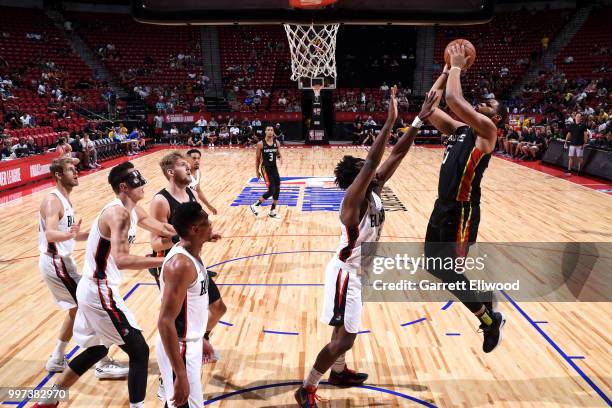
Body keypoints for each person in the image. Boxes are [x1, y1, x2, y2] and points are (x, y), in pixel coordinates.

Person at [295, 88, 436, 407]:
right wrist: (389, 121)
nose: (372, 169)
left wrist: (416, 121)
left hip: (358, 273)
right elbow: (374, 159)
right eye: (365, 168)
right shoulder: (352, 201)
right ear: (357, 176)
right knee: (345, 336)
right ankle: (307, 386)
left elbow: (395, 155)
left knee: (343, 330)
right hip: (346, 274)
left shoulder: (374, 188)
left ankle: (339, 372)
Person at [33, 162, 176, 408]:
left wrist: (187, 234)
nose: (143, 186)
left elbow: (163, 228)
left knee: (97, 351)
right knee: (139, 351)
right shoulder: (117, 213)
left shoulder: (133, 210)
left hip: (96, 289)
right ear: (124, 186)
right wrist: (160, 261)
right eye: (138, 182)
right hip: (100, 289)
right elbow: (121, 260)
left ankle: (48, 399)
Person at [422, 45, 508, 354]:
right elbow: (430, 108)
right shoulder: (459, 129)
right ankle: (484, 305)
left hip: (462, 211)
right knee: (435, 267)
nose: (483, 104)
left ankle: (488, 320)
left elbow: (454, 100)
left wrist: (457, 65)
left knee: (449, 271)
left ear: (496, 117)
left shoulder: (487, 131)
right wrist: (445, 71)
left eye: (489, 103)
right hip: (441, 207)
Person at [39, 158, 127, 380]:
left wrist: (92, 234)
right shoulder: (53, 201)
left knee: (76, 307)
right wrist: (70, 235)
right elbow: (51, 234)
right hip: (56, 261)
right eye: (70, 169)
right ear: (59, 175)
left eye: (75, 169)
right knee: (90, 305)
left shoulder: (65, 200)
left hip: (61, 261)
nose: (76, 172)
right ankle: (101, 363)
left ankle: (57, 357)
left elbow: (67, 233)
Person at [156, 202, 221, 408]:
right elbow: (165, 321)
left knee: (178, 405)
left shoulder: (192, 251)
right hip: (180, 347)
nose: (211, 225)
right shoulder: (181, 265)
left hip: (188, 342)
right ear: (194, 229)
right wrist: (181, 374)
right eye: (207, 223)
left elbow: (190, 309)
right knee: (183, 403)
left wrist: (199, 336)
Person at [250, 126, 282, 219]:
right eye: (268, 130)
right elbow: (257, 159)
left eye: (271, 130)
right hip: (265, 168)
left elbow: (278, 153)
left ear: (273, 132)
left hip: (274, 168)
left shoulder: (277, 143)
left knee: (278, 188)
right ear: (265, 131)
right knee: (272, 190)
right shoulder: (260, 144)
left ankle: (272, 211)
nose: (270, 131)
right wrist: (257, 171)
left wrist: (280, 157)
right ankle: (255, 205)